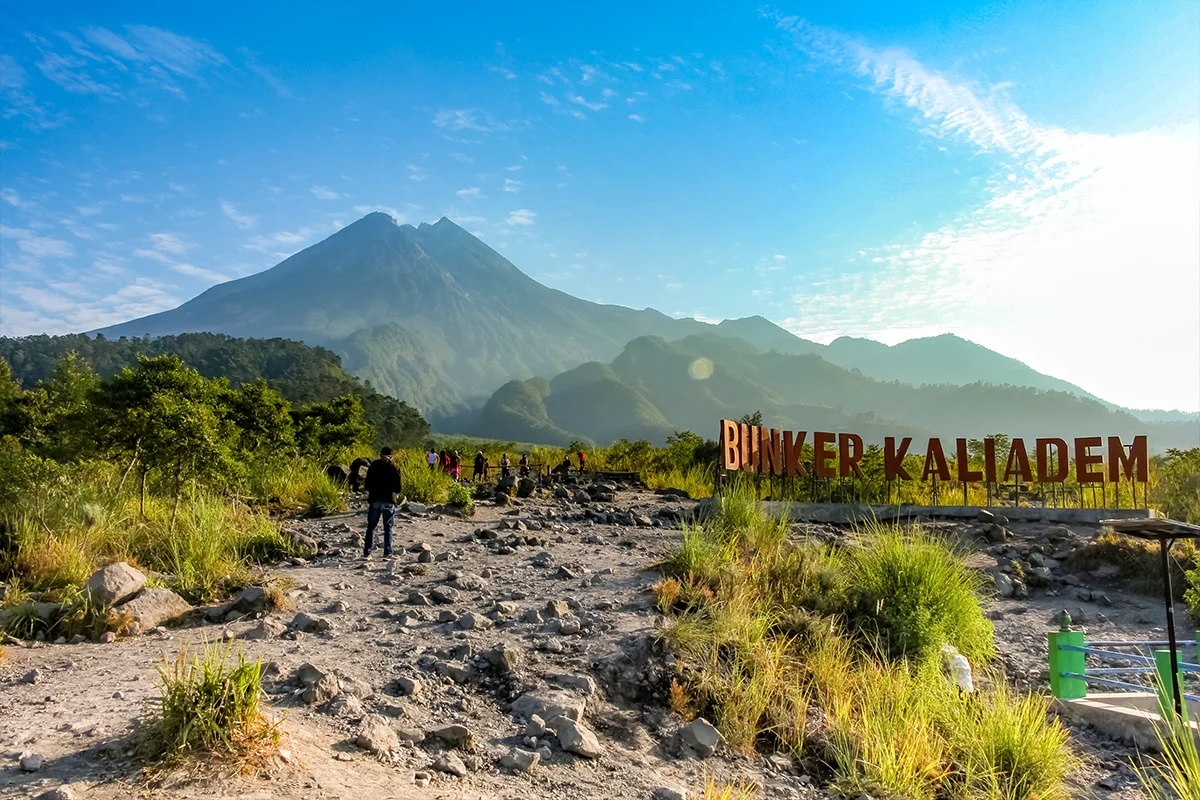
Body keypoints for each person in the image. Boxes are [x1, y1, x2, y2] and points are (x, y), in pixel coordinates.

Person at [363, 446, 402, 558]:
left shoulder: (374, 465)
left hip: (375, 499)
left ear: (380, 455)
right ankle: (387, 552)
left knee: (371, 527)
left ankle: (367, 551)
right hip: (388, 501)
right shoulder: (395, 468)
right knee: (388, 527)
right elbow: (398, 488)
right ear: (391, 456)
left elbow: (367, 484)